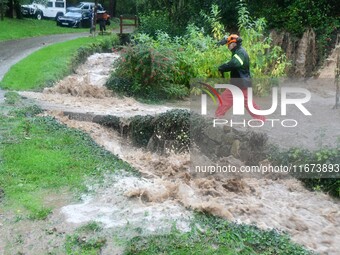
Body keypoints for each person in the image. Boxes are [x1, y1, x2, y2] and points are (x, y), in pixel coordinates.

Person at [215, 34, 266, 121]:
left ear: (234, 44)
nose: (228, 46)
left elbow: (235, 63)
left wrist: (223, 67)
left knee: (248, 104)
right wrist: (225, 41)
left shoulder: (240, 52)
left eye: (229, 44)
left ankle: (262, 120)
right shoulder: (238, 51)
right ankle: (217, 118)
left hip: (241, 84)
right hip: (238, 83)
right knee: (225, 100)